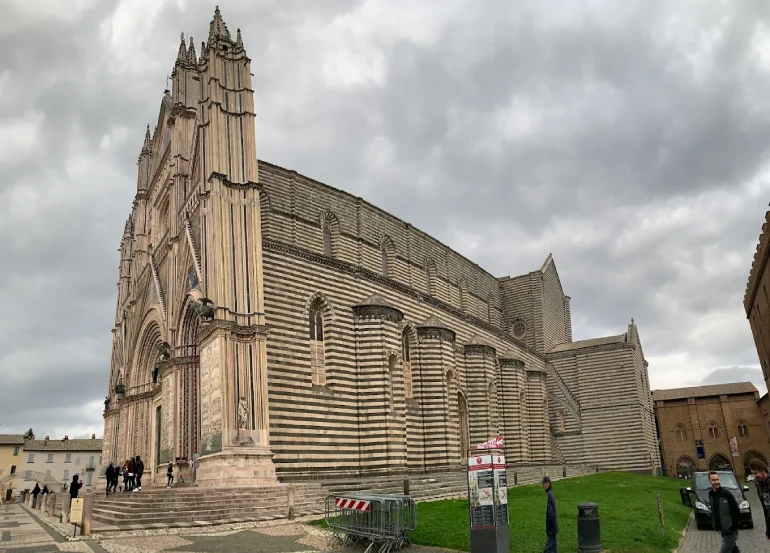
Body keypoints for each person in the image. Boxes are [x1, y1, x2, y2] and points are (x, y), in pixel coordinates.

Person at [708, 471, 741, 553]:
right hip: (722, 530)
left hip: (730, 530)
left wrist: (732, 526)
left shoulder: (726, 494)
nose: (716, 482)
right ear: (710, 481)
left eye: (717, 479)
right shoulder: (711, 494)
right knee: (734, 550)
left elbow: (736, 511)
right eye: (713, 480)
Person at [749, 458, 770, 541]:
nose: (755, 476)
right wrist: (768, 529)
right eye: (753, 474)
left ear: (762, 469)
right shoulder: (759, 484)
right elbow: (765, 508)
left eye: (755, 473)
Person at [542, 476, 558, 553]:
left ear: (548, 483)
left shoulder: (550, 495)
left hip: (551, 526)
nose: (542, 485)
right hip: (553, 526)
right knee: (554, 548)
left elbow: (550, 514)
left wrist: (549, 526)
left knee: (546, 549)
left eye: (543, 483)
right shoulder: (550, 493)